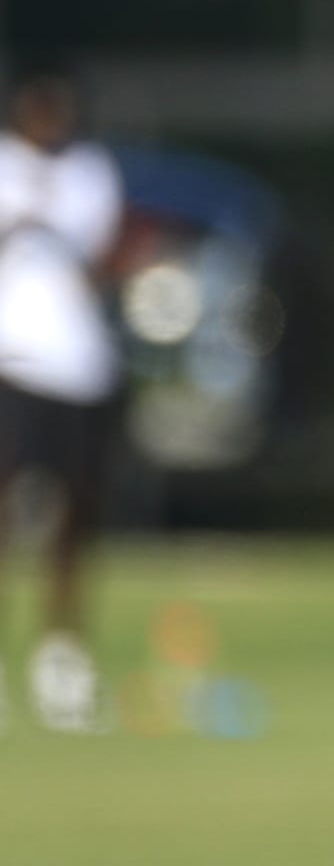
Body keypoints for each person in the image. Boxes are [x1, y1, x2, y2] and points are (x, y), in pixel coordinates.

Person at [0, 64, 125, 733]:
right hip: (10, 365)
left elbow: (95, 258)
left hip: (78, 368)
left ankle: (62, 666)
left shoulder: (91, 173)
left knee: (75, 521)